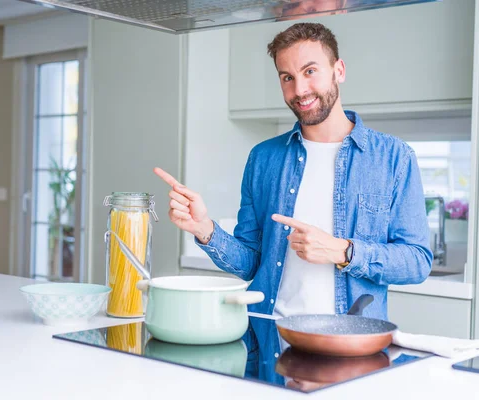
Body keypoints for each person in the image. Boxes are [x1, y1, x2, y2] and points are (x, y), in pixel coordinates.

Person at [154, 22, 432, 322]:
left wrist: (343, 251)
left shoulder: (393, 158)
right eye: (288, 77)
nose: (299, 90)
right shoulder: (263, 158)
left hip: (348, 343)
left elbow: (417, 261)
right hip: (270, 336)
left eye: (310, 71)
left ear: (339, 70)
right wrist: (204, 229)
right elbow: (252, 263)